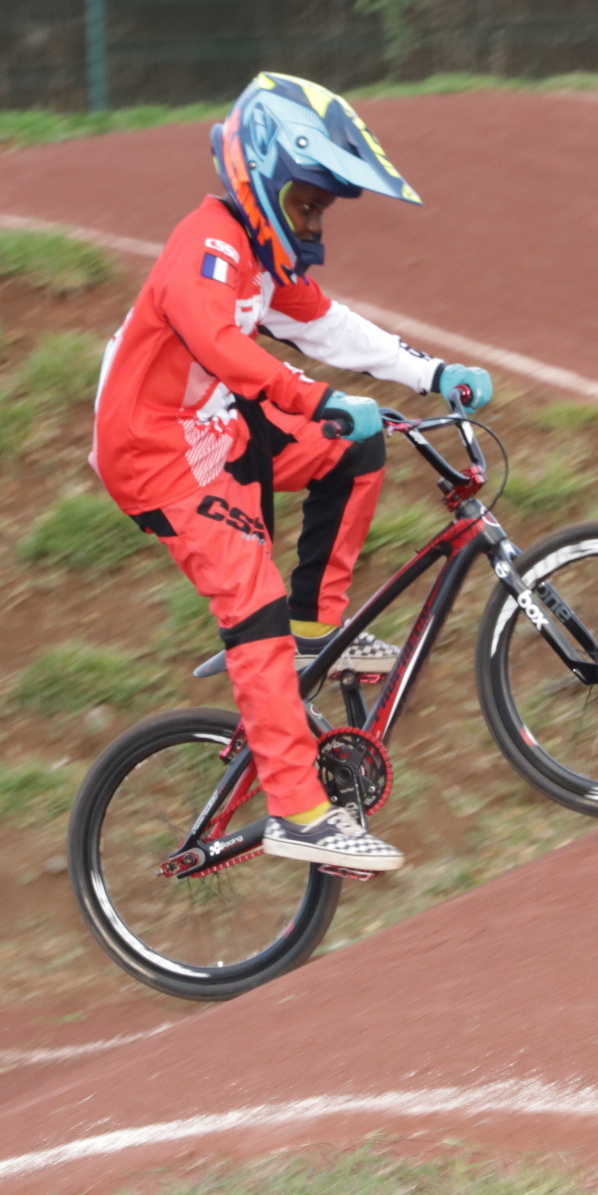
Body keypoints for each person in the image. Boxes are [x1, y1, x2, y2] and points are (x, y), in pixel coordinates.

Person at [89, 72, 493, 873]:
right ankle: (300, 813)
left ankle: (316, 635)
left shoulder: (261, 256)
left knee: (354, 448)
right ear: (265, 179)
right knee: (251, 598)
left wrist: (430, 372)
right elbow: (221, 347)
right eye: (307, 203)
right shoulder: (205, 245)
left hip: (210, 425)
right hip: (153, 455)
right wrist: (314, 399)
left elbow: (330, 326)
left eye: (319, 208)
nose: (313, 221)